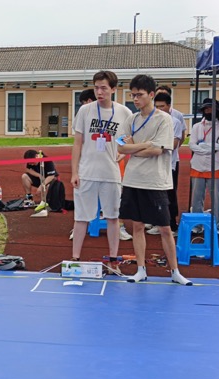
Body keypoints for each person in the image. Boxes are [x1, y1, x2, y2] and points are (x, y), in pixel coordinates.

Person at [117, 74, 192, 286]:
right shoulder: (131, 119)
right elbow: (121, 147)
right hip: (133, 180)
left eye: (139, 95)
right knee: (137, 226)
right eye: (133, 95)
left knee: (165, 228)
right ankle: (141, 269)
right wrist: (144, 145)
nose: (135, 99)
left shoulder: (164, 119)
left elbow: (157, 150)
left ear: (151, 94)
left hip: (156, 181)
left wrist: (134, 147)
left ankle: (175, 271)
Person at [70, 70, 133, 267]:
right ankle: (75, 258)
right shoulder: (85, 111)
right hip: (87, 172)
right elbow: (78, 143)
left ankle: (113, 259)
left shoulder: (124, 112)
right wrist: (74, 172)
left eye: (104, 88)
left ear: (113, 89)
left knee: (113, 217)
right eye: (96, 88)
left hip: (111, 173)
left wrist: (121, 152)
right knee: (81, 217)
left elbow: (129, 138)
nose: (99, 92)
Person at [188, 97, 219, 233]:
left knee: (217, 199)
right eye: (205, 108)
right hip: (197, 167)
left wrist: (202, 147)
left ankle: (216, 226)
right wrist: (208, 149)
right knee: (196, 199)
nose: (208, 111)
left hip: (215, 167)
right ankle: (197, 225)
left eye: (210, 108)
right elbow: (192, 145)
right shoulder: (196, 127)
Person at [146, 92, 184, 235]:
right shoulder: (151, 120)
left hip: (169, 164)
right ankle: (157, 221)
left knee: (169, 195)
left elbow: (173, 144)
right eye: (157, 106)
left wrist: (154, 146)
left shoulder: (175, 122)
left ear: (169, 106)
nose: (159, 109)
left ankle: (172, 224)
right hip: (153, 163)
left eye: (162, 106)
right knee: (154, 193)